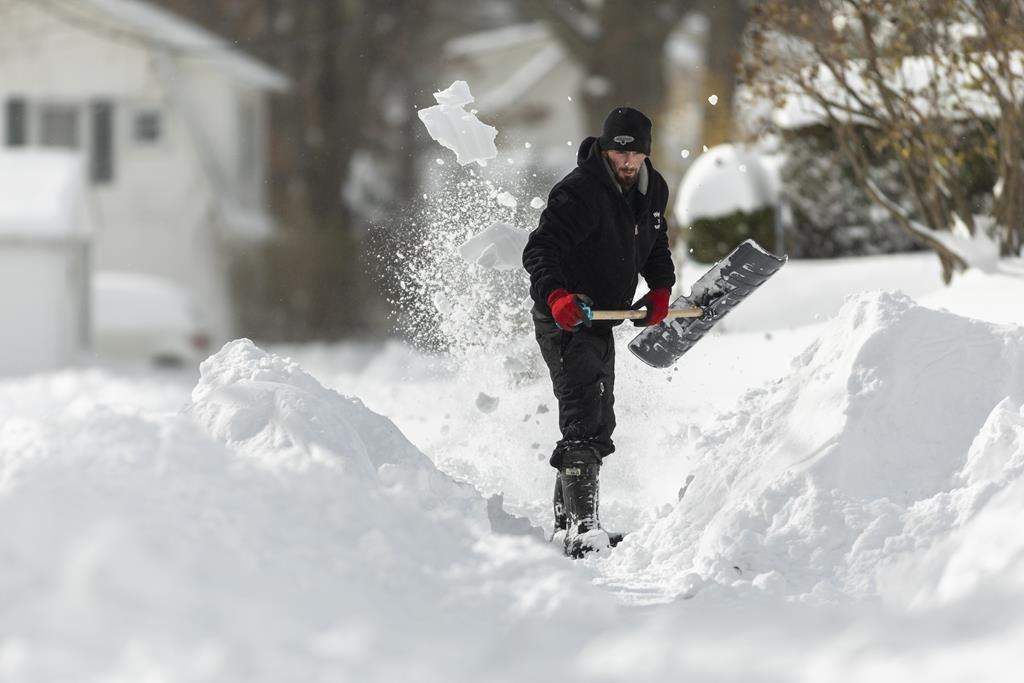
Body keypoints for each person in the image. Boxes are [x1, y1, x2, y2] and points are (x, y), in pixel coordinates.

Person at [522, 106, 676, 558]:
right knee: (584, 417)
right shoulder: (579, 192)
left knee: (596, 416)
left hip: (603, 318)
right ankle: (583, 529)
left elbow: (654, 245)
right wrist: (557, 297)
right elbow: (540, 250)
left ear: (646, 154)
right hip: (566, 316)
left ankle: (566, 525)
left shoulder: (654, 190)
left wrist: (661, 288)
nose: (626, 164)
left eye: (635, 156)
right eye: (617, 154)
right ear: (605, 150)